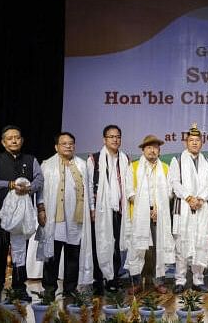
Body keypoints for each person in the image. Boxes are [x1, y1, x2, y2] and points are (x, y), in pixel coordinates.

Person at [0, 125, 43, 302]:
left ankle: (19, 290)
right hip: (1, 216)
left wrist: (29, 187)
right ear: (4, 143)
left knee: (21, 253)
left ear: (22, 140)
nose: (14, 140)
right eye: (10, 138)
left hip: (23, 217)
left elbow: (39, 179)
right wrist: (11, 185)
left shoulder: (31, 159)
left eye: (17, 137)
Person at [37, 132, 93, 297]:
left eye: (71, 143)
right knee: (52, 254)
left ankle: (70, 289)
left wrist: (92, 209)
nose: (68, 146)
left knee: (73, 255)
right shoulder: (47, 165)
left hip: (76, 219)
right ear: (56, 147)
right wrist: (41, 209)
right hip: (55, 218)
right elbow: (40, 191)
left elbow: (89, 189)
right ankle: (49, 289)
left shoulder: (82, 165)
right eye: (64, 143)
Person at [124, 135, 175, 295]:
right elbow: (129, 191)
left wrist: (157, 209)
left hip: (159, 214)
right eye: (149, 147)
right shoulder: (133, 167)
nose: (152, 150)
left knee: (156, 248)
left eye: (155, 147)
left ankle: (157, 281)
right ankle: (137, 282)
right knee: (139, 248)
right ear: (143, 149)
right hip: (139, 215)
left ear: (159, 151)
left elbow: (169, 193)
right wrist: (145, 209)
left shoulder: (166, 168)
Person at [169, 124, 208, 293]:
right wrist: (189, 197)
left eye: (197, 140)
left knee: (200, 243)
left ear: (201, 143)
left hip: (201, 207)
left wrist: (201, 198)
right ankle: (180, 280)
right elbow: (174, 182)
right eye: (191, 140)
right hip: (184, 206)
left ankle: (198, 279)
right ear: (185, 142)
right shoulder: (177, 160)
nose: (194, 143)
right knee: (181, 244)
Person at [87, 125, 130, 294]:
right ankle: (99, 279)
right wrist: (91, 208)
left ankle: (114, 278)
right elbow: (90, 186)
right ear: (104, 139)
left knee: (117, 246)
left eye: (118, 136)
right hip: (101, 209)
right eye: (111, 136)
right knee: (101, 243)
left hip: (119, 209)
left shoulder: (125, 158)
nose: (115, 139)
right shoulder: (94, 159)